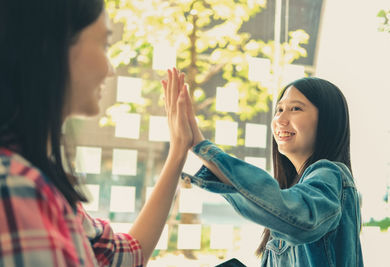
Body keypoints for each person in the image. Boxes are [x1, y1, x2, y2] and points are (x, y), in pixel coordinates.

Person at [0, 0, 192, 266]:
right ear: (53, 47)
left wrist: (178, 151)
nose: (110, 69)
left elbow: (125, 256)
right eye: (104, 45)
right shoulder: (15, 188)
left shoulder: (41, 183)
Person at [163, 75, 363, 266]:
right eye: (279, 110)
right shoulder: (300, 185)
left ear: (327, 120)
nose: (281, 120)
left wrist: (199, 144)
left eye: (295, 108)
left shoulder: (331, 175)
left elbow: (297, 218)